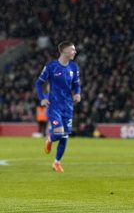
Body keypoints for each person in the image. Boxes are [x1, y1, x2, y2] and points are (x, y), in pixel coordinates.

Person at [35, 41, 81, 173]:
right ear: (64, 51)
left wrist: (77, 93)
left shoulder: (74, 67)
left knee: (65, 136)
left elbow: (76, 84)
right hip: (54, 105)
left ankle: (56, 163)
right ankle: (50, 138)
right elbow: (39, 83)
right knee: (59, 133)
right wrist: (42, 98)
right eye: (73, 50)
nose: (75, 52)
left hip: (68, 106)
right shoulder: (51, 66)